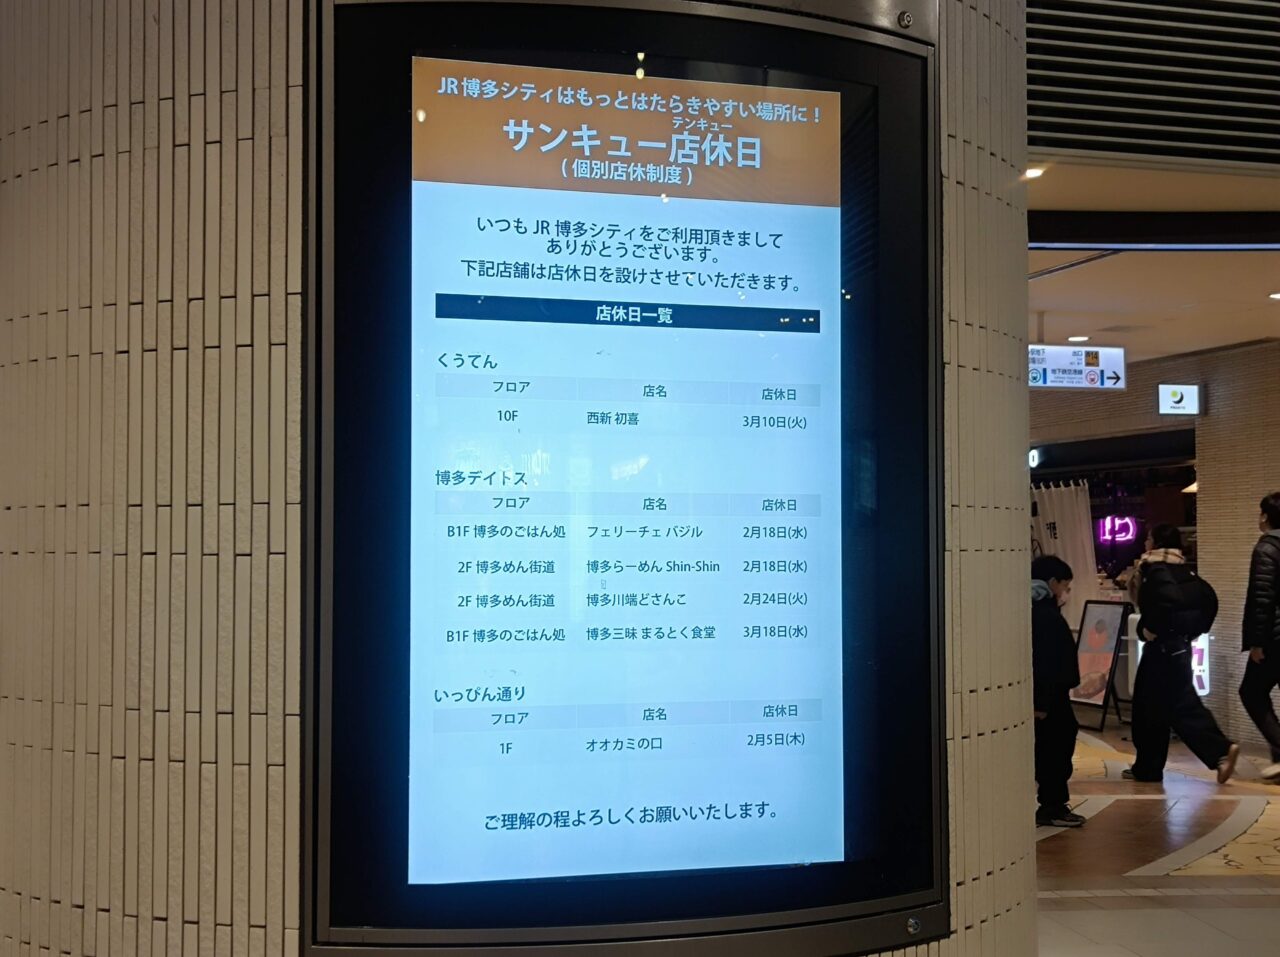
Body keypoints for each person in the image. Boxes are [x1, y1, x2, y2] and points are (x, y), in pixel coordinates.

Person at [1125, 524, 1239, 784]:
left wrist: (1151, 629)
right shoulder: (1185, 570)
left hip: (1161, 650)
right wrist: (1192, 631)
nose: (1145, 543)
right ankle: (1148, 768)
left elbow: (1161, 605)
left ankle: (1220, 751)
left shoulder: (1153, 569)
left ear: (1156, 542)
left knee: (1171, 707)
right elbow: (1209, 600)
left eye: (1148, 538)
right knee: (1159, 706)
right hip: (1180, 648)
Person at [1031, 555, 1084, 828]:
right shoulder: (1044, 615)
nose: (1066, 592)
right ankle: (1052, 805)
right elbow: (1046, 661)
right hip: (1050, 696)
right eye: (1065, 585)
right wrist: (1041, 702)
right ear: (1052, 582)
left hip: (1049, 695)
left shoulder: (1037, 610)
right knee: (1055, 747)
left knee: (1054, 744)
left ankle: (1053, 803)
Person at [1240, 492, 1280, 781]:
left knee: (1252, 692)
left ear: (1265, 516)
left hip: (1275, 638)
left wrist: (1256, 642)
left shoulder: (1267, 548)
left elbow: (1261, 598)